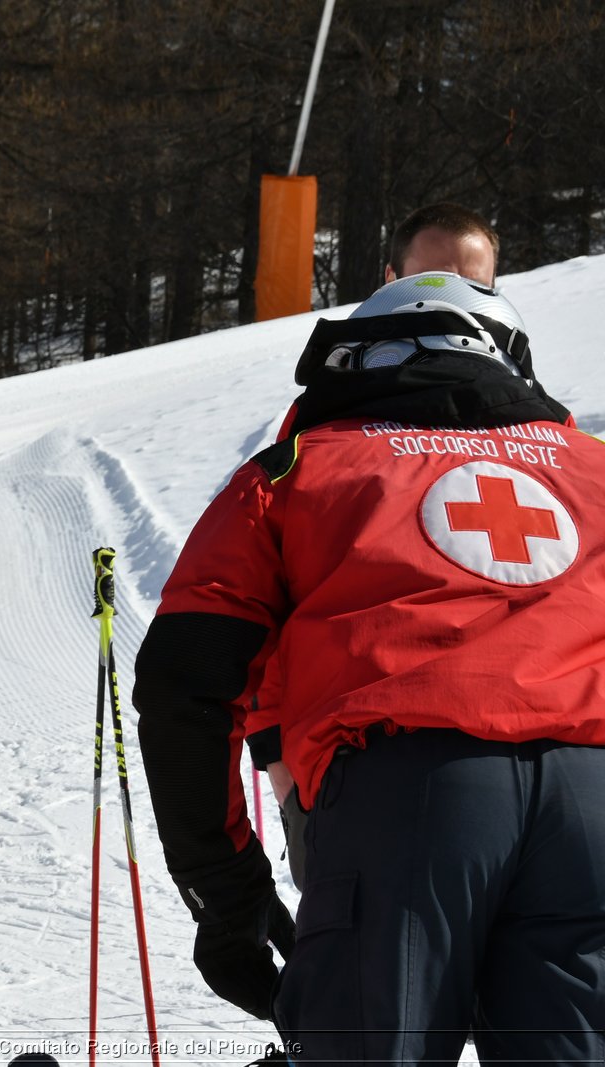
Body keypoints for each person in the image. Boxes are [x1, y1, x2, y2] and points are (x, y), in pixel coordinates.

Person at [133, 272, 605, 1062]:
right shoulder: (589, 464)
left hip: (414, 797)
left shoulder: (297, 468)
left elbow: (186, 681)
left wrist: (228, 894)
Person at [251, 201, 502, 886]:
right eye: (432, 280)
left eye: (474, 286)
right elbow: (278, 595)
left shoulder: (538, 423)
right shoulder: (330, 422)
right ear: (390, 280)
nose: (453, 302)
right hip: (380, 762)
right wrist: (277, 757)